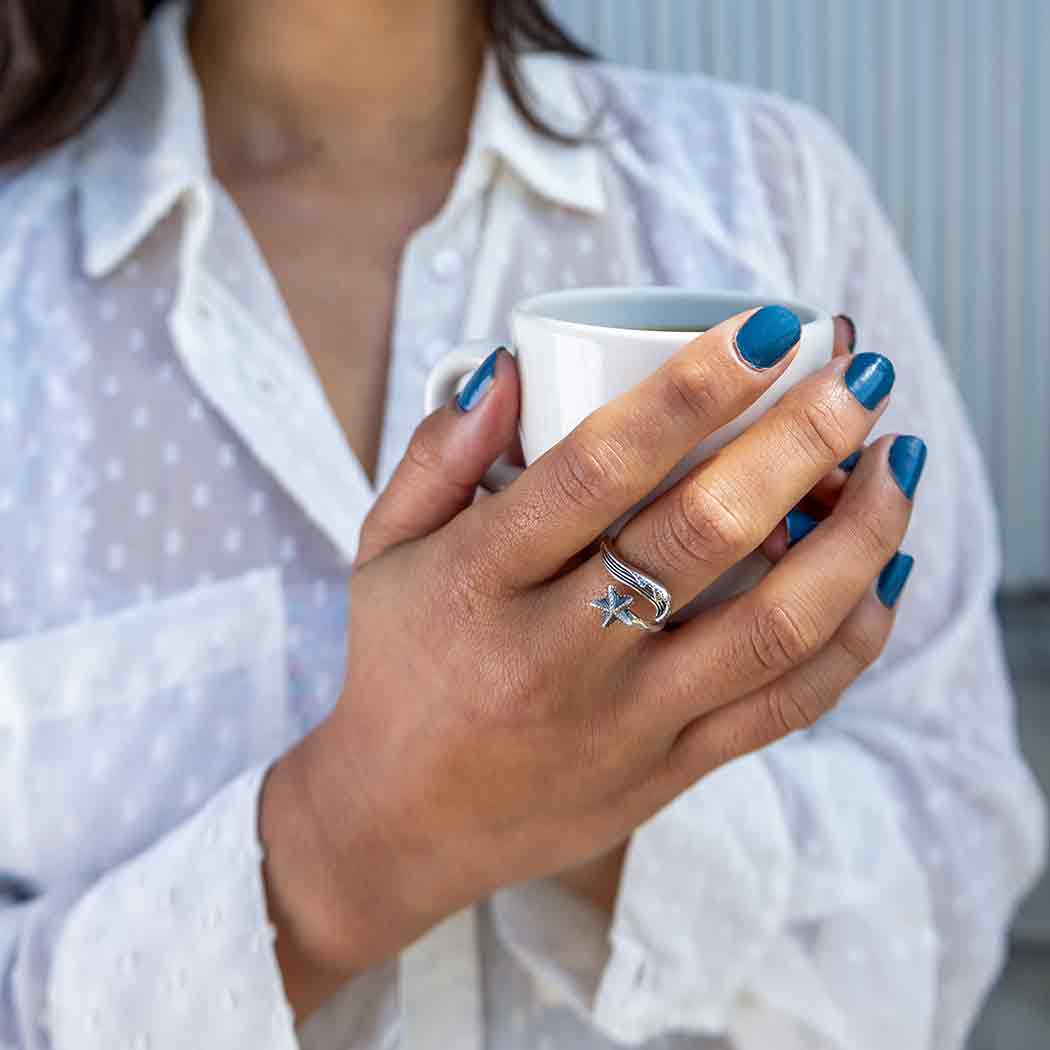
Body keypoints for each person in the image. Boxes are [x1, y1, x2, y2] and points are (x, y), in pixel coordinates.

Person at [0, 1, 1044, 1048]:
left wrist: (602, 812)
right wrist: (345, 853)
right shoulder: (20, 276)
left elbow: (949, 873)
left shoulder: (765, 185)